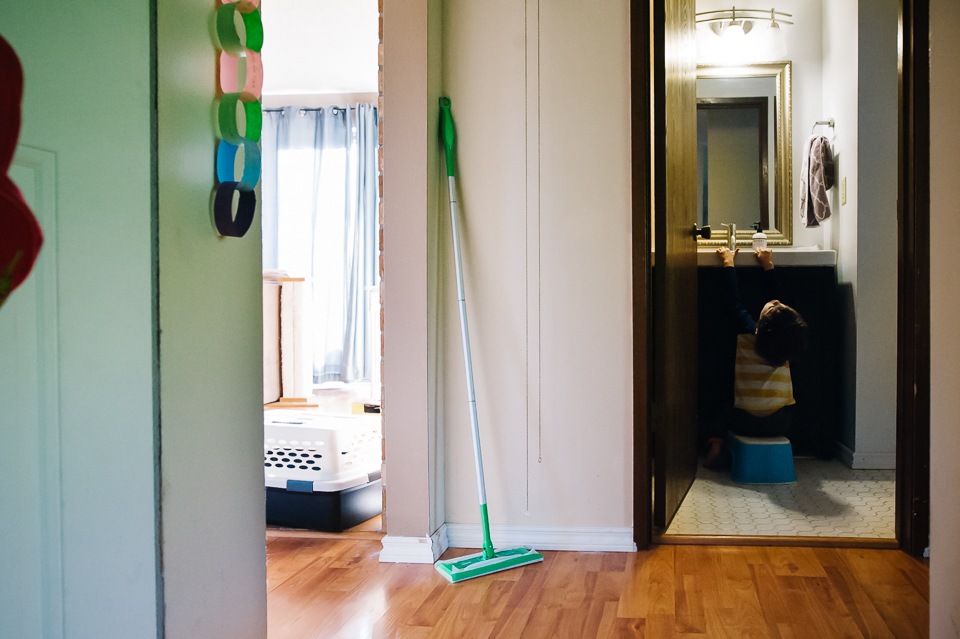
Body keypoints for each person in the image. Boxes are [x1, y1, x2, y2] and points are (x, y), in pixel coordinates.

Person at [703, 247, 809, 469]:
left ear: (761, 327)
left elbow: (733, 301)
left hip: (744, 422)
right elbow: (780, 302)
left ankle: (715, 445)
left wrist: (728, 262)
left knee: (723, 406)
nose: (776, 302)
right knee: (792, 400)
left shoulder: (747, 336)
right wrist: (767, 263)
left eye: (773, 307)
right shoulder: (786, 344)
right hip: (780, 424)